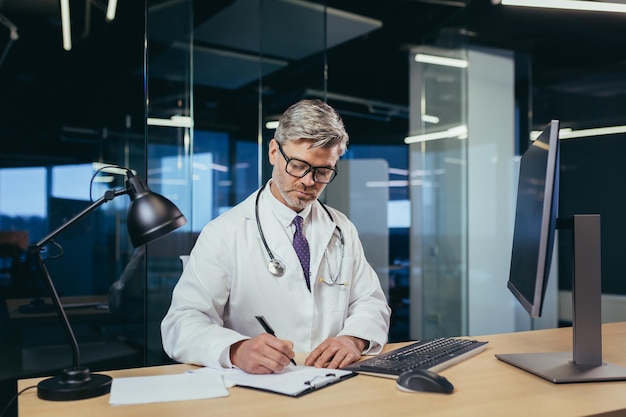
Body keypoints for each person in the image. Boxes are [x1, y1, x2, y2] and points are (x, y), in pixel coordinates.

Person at [161, 99, 391, 374]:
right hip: (261, 387)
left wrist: (353, 339)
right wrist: (236, 349)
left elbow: (370, 301)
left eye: (323, 171)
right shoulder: (224, 232)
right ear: (273, 152)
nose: (308, 181)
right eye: (298, 165)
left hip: (333, 380)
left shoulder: (341, 228)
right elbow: (181, 323)